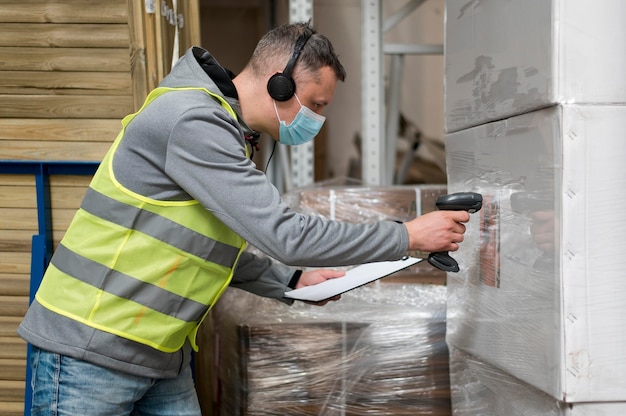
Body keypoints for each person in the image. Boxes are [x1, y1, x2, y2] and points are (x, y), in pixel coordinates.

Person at [18, 22, 469, 415]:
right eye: (316, 104)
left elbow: (202, 244)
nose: (318, 119)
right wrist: (406, 234)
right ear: (279, 85)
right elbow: (285, 234)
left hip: (158, 354)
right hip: (91, 351)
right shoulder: (193, 123)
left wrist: (289, 280)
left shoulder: (231, 136)